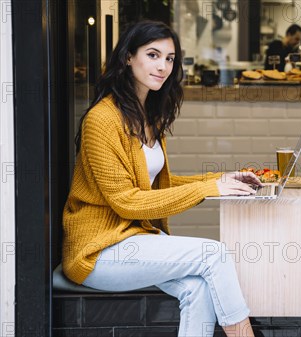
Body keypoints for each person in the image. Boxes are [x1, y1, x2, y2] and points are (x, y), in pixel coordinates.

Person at [62, 21, 259, 337]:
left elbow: (157, 185)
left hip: (134, 241)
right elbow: (127, 201)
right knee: (214, 254)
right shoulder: (102, 120)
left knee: (199, 288)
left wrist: (220, 178)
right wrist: (209, 188)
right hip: (98, 251)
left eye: (170, 58)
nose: (163, 66)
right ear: (128, 57)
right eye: (153, 55)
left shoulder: (146, 115)